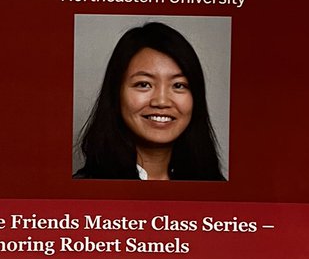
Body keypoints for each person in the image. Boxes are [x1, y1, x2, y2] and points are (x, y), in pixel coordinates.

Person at [74, 21, 226, 181]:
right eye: (144, 84)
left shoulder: (219, 191)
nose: (161, 101)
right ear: (116, 93)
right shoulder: (81, 191)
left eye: (179, 85)